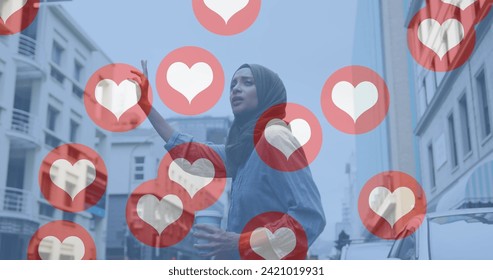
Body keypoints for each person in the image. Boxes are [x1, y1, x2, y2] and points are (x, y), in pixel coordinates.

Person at [131, 61, 326, 259]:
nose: (236, 89)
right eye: (233, 85)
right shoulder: (245, 150)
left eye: (247, 82)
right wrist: (146, 106)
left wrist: (239, 242)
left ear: (267, 92)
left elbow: (310, 218)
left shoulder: (276, 138)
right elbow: (192, 153)